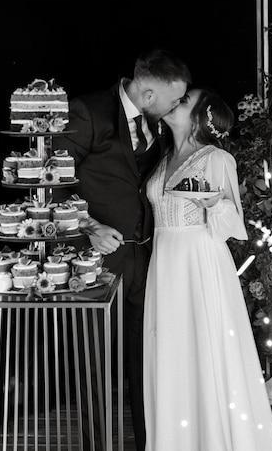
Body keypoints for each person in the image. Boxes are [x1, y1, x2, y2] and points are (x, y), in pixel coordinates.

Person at [53, 48, 192, 451]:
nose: (176, 106)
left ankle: (151, 441)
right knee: (95, 356)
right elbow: (54, 178)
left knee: (146, 356)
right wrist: (89, 226)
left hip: (147, 257)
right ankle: (97, 445)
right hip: (98, 257)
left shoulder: (157, 124)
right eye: (173, 99)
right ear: (148, 95)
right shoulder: (88, 111)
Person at [143, 87, 272, 451]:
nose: (175, 102)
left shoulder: (216, 158)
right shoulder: (162, 159)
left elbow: (234, 229)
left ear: (201, 117)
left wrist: (214, 203)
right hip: (164, 265)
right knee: (170, 352)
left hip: (200, 264)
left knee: (203, 352)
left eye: (183, 100)